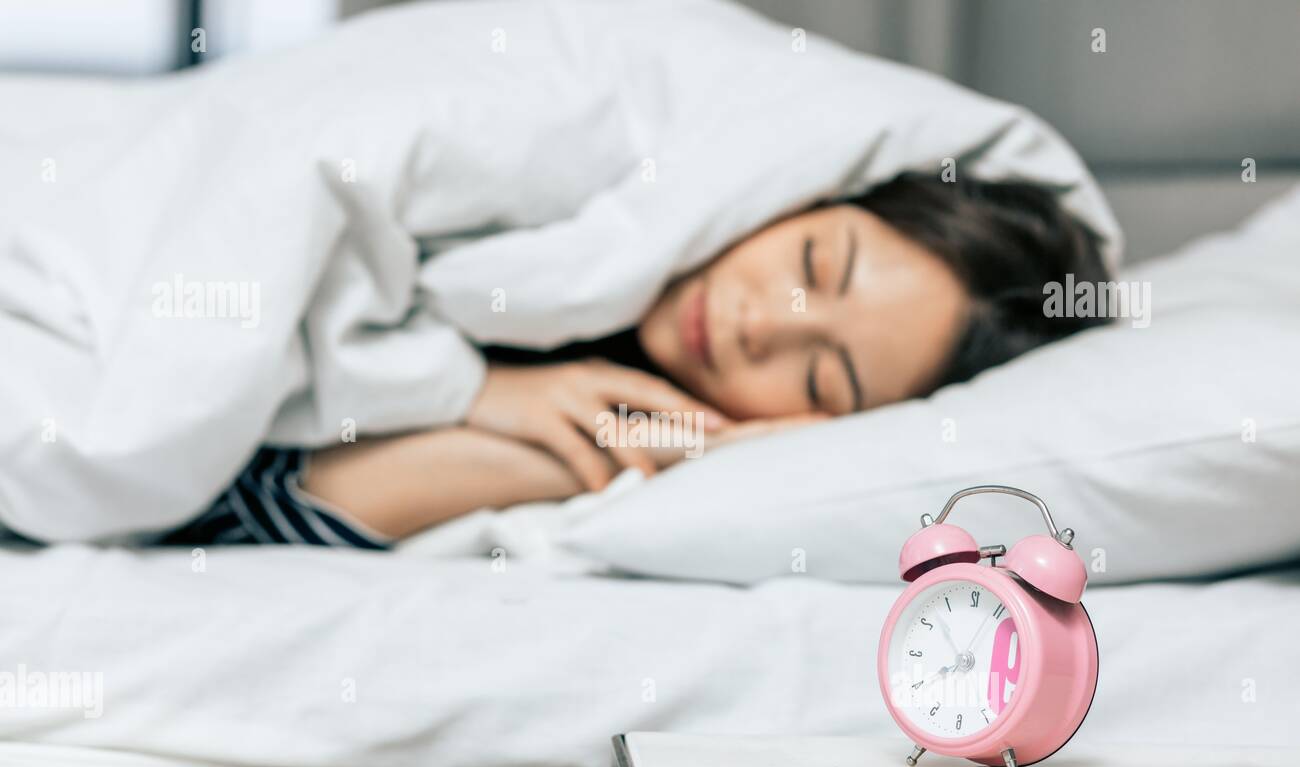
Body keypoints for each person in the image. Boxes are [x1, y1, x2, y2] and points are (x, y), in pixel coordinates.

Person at [162, 172, 1110, 549]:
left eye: (821, 380)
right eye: (813, 264)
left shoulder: (631, 440)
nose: (762, 326)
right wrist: (480, 386)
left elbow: (238, 504)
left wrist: (677, 441)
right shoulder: (570, 186)